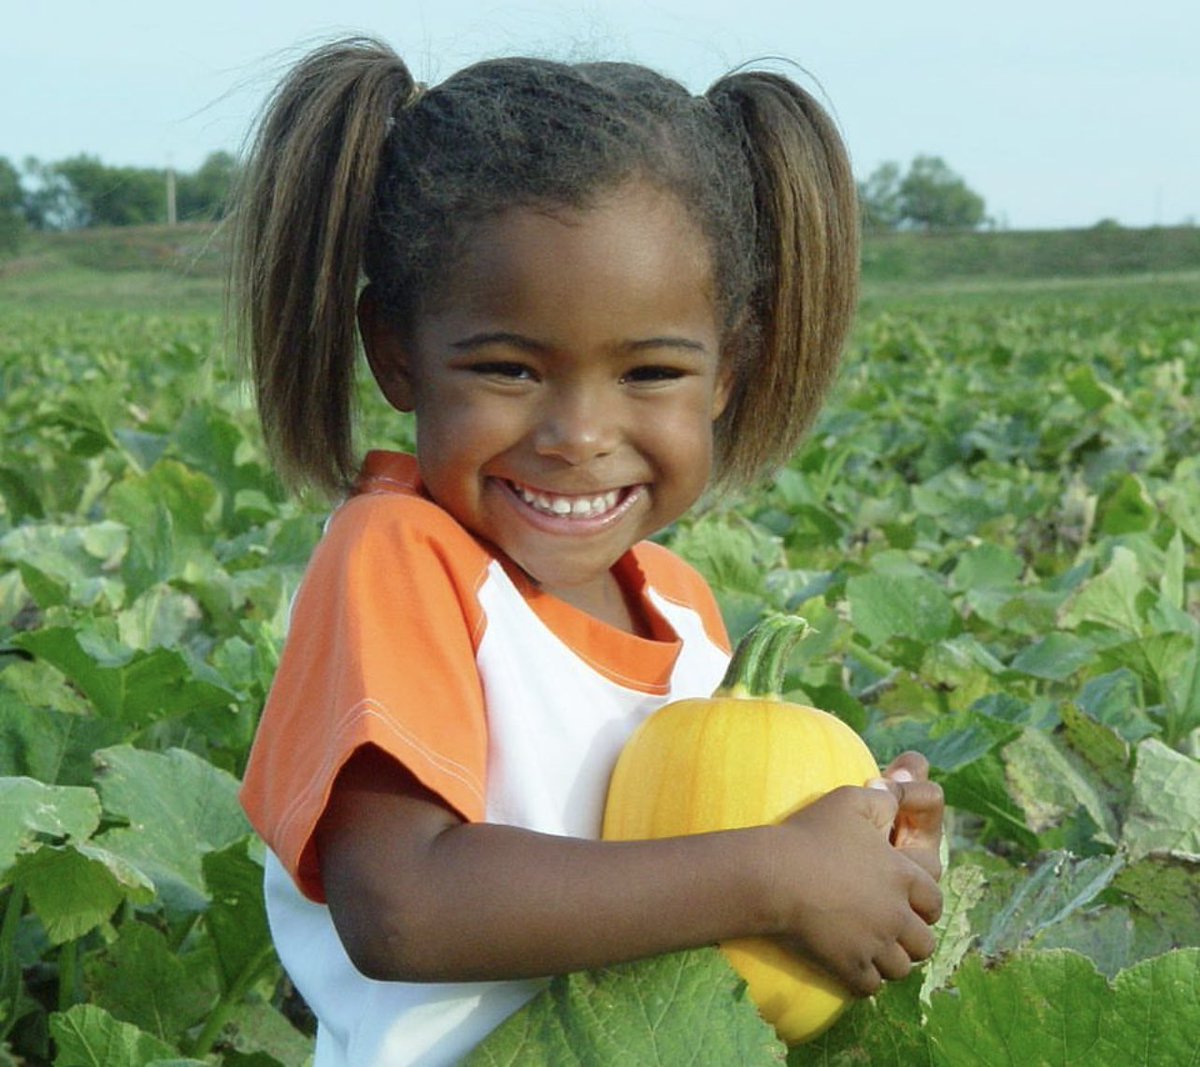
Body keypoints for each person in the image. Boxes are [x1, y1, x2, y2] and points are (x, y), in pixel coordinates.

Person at [234, 36, 944, 1067]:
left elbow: (711, 917)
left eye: (650, 371)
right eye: (510, 368)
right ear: (395, 350)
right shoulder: (400, 558)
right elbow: (403, 905)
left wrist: (873, 858)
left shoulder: (687, 610)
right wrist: (777, 872)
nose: (577, 431)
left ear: (728, 372)